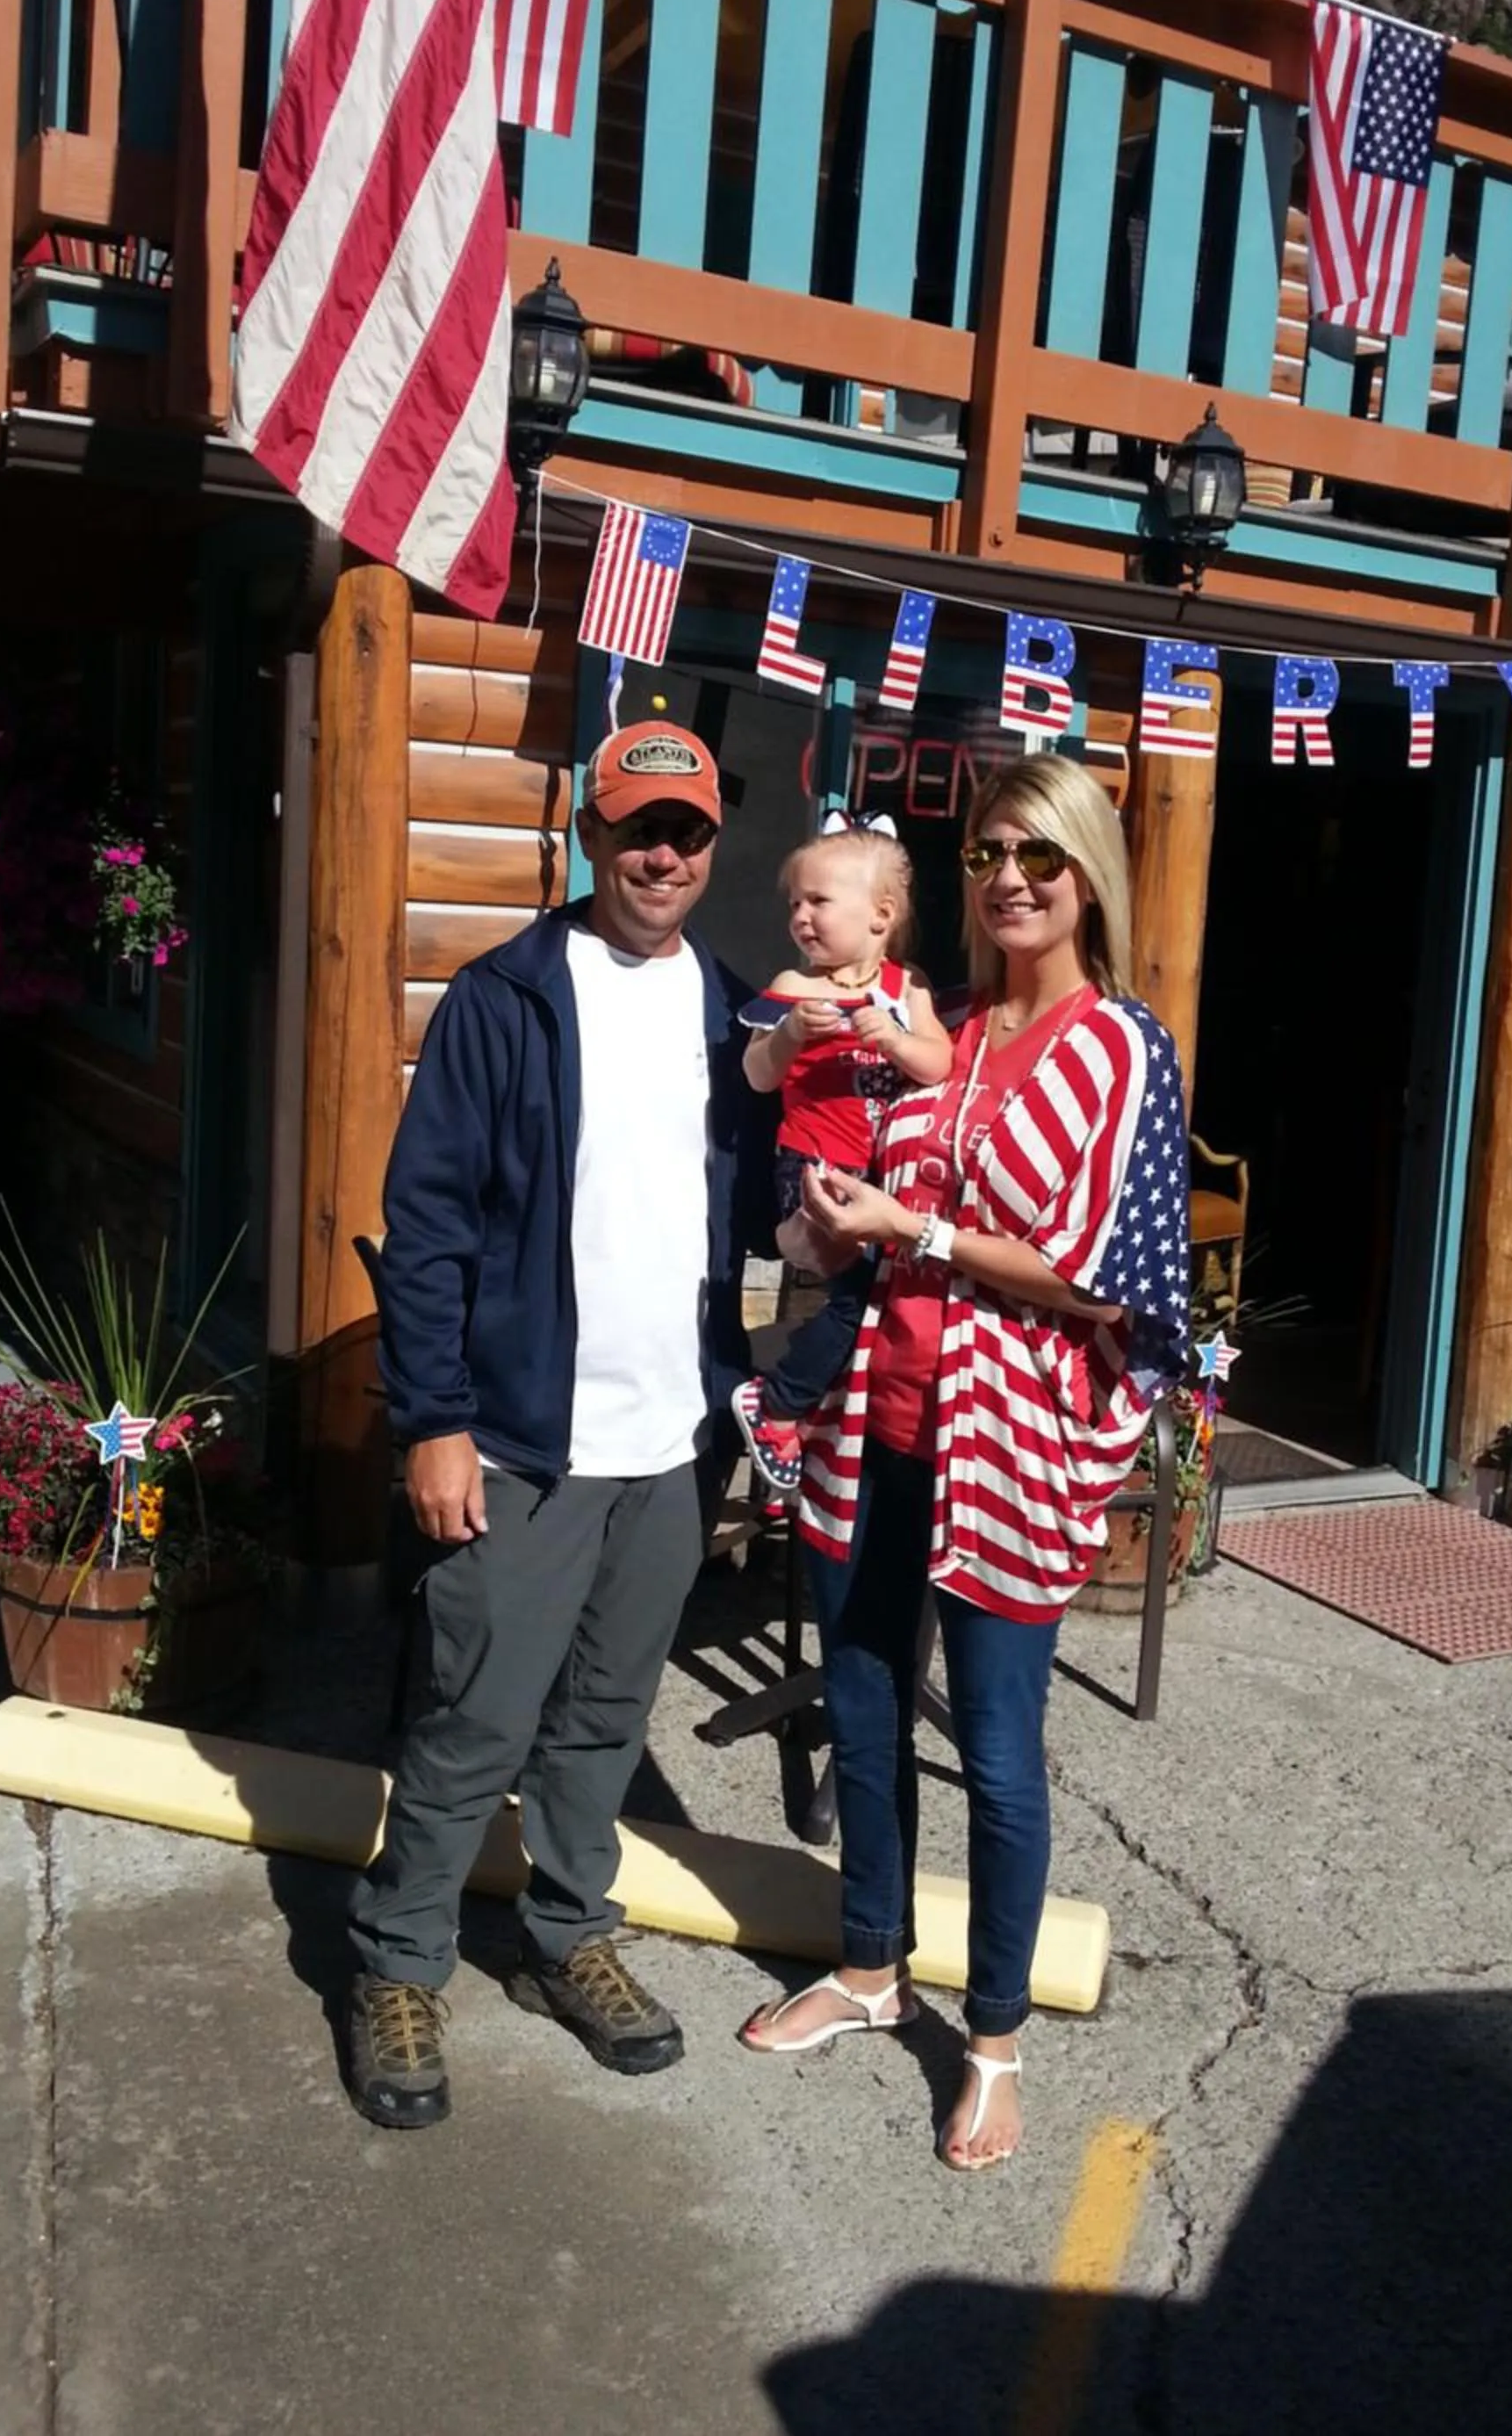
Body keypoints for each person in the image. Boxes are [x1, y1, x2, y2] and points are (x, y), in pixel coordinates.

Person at [736, 754, 1191, 2173]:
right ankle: (871, 1966)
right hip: (880, 1415)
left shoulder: (1117, 1047)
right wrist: (832, 1224)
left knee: (996, 1754)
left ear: (1087, 877)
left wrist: (912, 1228)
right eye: (989, 853)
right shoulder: (951, 1028)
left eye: (1038, 856)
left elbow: (1097, 1277)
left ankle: (992, 2042)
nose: (1008, 879)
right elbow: (858, 1183)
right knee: (864, 1710)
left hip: (1010, 1443)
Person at [346, 719, 775, 2131]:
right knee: (475, 1718)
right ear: (593, 835)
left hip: (672, 1443)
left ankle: (564, 1935)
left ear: (712, 847)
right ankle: (398, 1962)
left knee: (602, 1719)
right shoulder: (506, 998)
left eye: (687, 833)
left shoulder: (735, 1018)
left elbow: (769, 1212)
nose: (662, 855)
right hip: (525, 1441)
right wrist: (434, 1421)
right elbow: (426, 1230)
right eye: (639, 828)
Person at [732, 816, 953, 1492]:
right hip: (814, 1168)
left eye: (819, 901)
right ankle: (777, 1404)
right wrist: (791, 1034)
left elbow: (939, 1062)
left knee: (880, 1305)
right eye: (794, 903)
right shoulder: (797, 988)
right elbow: (757, 1075)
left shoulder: (906, 987)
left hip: (885, 1180)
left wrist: (894, 1039)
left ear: (881, 915)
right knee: (859, 1299)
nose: (801, 917)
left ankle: (811, 1420)